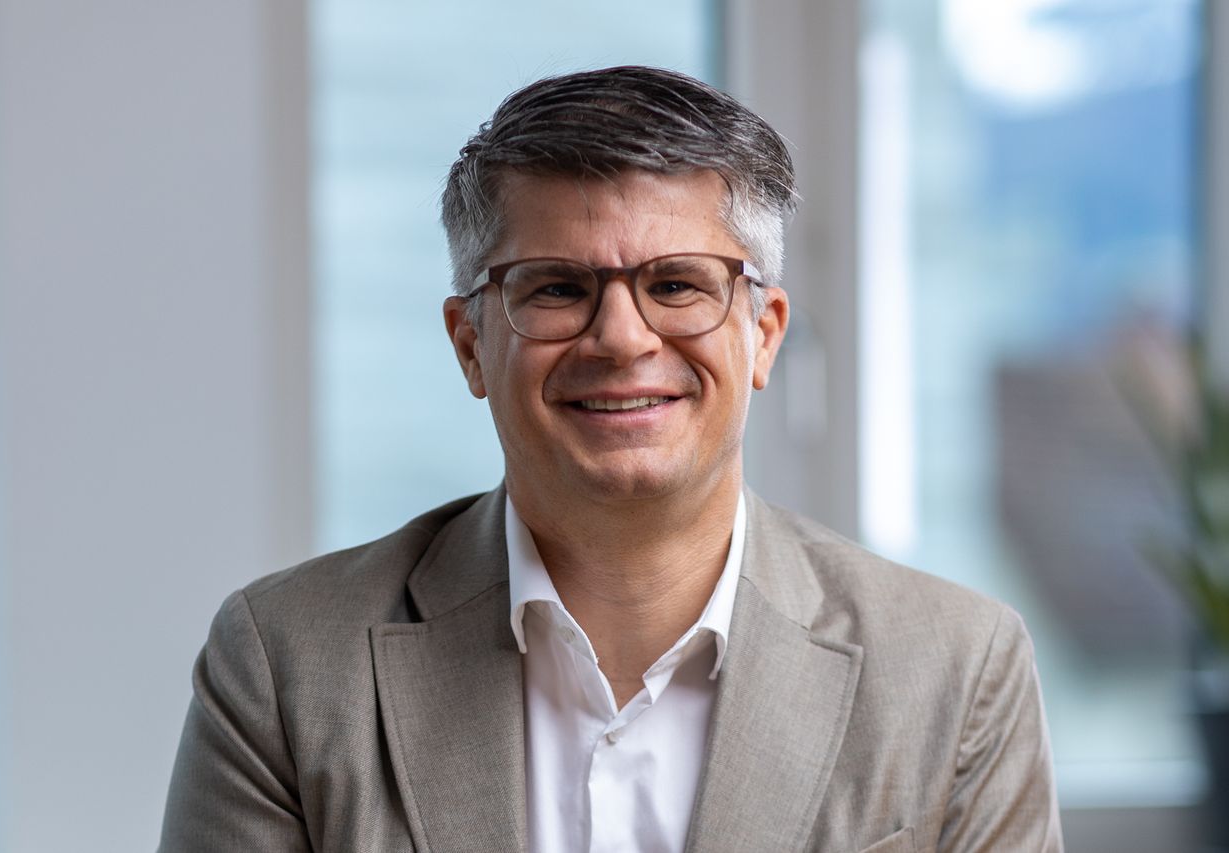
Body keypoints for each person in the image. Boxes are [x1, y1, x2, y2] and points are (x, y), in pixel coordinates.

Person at [159, 66, 1062, 852]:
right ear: (470, 344)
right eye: (557, 287)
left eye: (676, 284)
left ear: (764, 335)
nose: (622, 338)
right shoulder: (286, 666)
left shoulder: (955, 670)